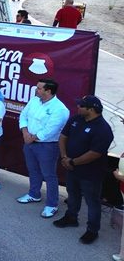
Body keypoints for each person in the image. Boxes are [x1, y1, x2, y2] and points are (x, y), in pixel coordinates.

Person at [52, 95, 113, 244]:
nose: (77, 107)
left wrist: (73, 162)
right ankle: (71, 217)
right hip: (71, 168)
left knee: (92, 202)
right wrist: (65, 157)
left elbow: (95, 153)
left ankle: (92, 230)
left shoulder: (103, 129)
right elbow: (63, 137)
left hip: (91, 173)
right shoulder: (76, 119)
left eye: (81, 106)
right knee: (72, 195)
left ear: (91, 109)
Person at [17, 79, 70, 218]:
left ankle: (52, 205)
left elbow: (51, 130)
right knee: (33, 170)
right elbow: (23, 115)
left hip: (47, 146)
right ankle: (34, 194)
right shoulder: (34, 100)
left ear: (48, 91)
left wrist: (32, 137)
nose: (36, 90)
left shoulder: (60, 109)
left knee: (49, 175)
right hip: (29, 142)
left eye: (39, 88)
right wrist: (25, 132)